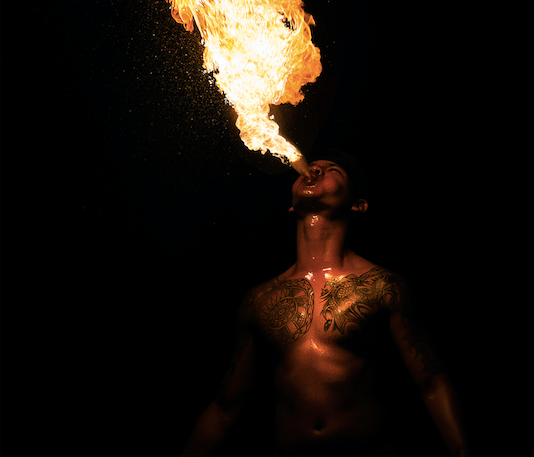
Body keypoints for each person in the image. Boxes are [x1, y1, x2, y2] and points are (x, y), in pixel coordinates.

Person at [181, 148, 470, 456]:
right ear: (291, 207)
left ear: (358, 205)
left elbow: (432, 384)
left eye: (332, 170)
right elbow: (224, 409)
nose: (315, 170)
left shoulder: (384, 287)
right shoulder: (260, 299)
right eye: (314, 166)